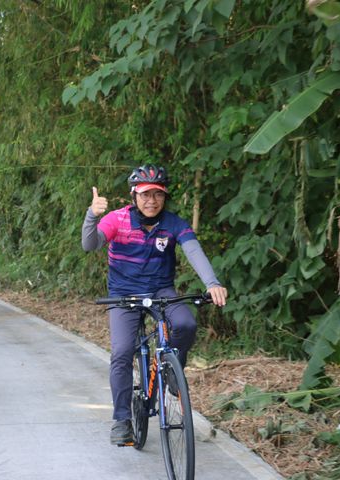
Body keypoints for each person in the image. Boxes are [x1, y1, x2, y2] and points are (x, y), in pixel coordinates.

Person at [81, 164, 228, 446]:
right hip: (123, 294)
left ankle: (173, 369)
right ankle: (122, 419)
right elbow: (90, 245)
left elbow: (194, 251)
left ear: (165, 196)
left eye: (158, 195)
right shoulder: (117, 219)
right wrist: (92, 216)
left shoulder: (173, 223)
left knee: (185, 323)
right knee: (122, 352)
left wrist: (212, 283)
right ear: (134, 195)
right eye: (145, 194)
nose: (152, 201)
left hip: (162, 290)